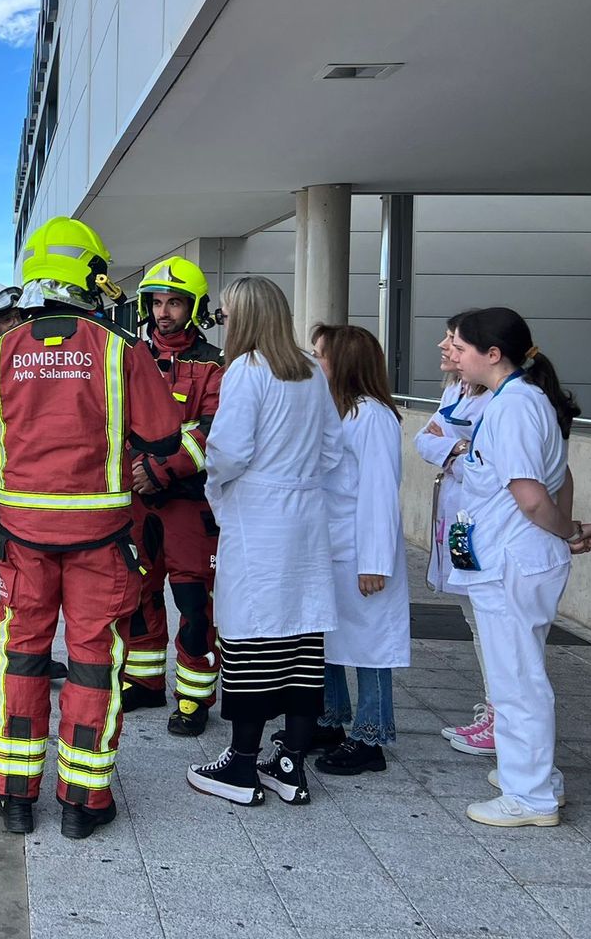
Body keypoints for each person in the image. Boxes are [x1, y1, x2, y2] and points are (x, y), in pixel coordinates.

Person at [0, 217, 183, 839]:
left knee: (20, 658)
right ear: (90, 275)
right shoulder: (120, 350)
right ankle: (83, 802)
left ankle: (14, 796)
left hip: (20, 539)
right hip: (102, 541)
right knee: (93, 664)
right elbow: (165, 440)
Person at [448, 307, 591, 827]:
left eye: (462, 347)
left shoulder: (514, 407)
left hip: (514, 559)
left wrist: (565, 532)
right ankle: (537, 777)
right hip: (522, 556)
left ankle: (530, 795)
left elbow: (532, 496)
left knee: (517, 680)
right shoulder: (521, 400)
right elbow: (559, 482)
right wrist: (568, 529)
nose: (453, 355)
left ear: (493, 354)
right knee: (521, 671)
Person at [187, 276, 341, 808]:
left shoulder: (247, 372)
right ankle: (291, 763)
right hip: (306, 518)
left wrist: (221, 486)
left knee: (251, 639)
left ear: (246, 317)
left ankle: (242, 763)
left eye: (227, 314)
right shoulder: (308, 370)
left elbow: (227, 452)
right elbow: (332, 449)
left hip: (259, 515)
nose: (223, 322)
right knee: (302, 641)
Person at [120, 258, 226, 737]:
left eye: (175, 303)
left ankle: (195, 693)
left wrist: (158, 470)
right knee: (139, 591)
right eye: (158, 302)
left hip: (188, 499)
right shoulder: (128, 356)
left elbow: (212, 430)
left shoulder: (214, 365)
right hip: (137, 499)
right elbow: (114, 421)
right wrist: (136, 469)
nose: (164, 313)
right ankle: (144, 681)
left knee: (192, 598)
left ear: (194, 307)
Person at [310, 324, 409, 777]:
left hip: (360, 553)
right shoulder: (336, 410)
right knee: (329, 639)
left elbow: (378, 493)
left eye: (321, 354)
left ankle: (371, 736)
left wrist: (374, 562)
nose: (314, 361)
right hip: (332, 546)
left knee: (370, 647)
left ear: (345, 361)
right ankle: (331, 720)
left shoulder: (372, 415)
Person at [0, 283, 63, 684]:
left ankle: (22, 655)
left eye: (13, 317)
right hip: (0, 494)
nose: (10, 326)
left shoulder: (43, 359)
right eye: (0, 322)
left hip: (34, 494)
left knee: (34, 590)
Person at [414, 314, 497, 754]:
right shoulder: (457, 391)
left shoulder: (503, 402)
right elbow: (423, 441)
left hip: (481, 523)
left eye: (455, 342)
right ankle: (492, 710)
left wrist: (455, 449)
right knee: (471, 616)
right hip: (457, 522)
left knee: (489, 621)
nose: (444, 348)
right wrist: (455, 447)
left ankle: (499, 716)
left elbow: (484, 465)